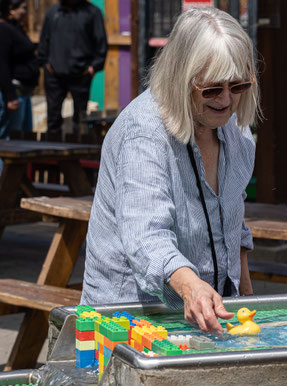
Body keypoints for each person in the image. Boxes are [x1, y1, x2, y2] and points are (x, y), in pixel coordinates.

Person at [81, 8, 260, 334]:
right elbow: (146, 238)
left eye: (238, 86)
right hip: (128, 320)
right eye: (211, 89)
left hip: (206, 314)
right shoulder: (143, 133)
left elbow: (233, 218)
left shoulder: (236, 131)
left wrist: (245, 292)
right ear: (181, 76)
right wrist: (191, 286)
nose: (226, 100)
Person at [37, 0, 107, 134]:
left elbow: (101, 42)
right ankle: (52, 152)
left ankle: (77, 153)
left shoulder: (92, 12)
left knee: (80, 120)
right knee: (53, 118)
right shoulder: (53, 12)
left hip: (81, 75)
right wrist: (45, 64)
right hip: (54, 74)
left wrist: (93, 67)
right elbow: (44, 40)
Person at [0, 0, 38, 138]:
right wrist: (10, 97)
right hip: (15, 94)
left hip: (24, 93)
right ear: (11, 8)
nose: (25, 12)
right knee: (10, 140)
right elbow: (2, 65)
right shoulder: (3, 29)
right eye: (23, 8)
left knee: (25, 138)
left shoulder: (16, 28)